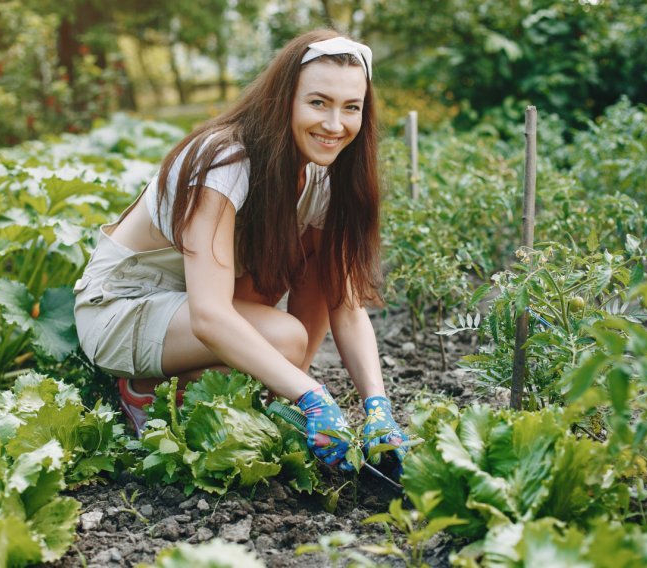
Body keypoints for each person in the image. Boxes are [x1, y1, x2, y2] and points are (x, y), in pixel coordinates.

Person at [74, 29, 409, 472]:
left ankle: (275, 395)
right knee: (286, 338)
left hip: (184, 310)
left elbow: (344, 307)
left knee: (317, 276)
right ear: (285, 98)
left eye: (351, 108)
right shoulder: (224, 160)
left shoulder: (321, 178)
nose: (334, 124)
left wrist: (378, 407)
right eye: (318, 103)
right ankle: (144, 388)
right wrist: (313, 394)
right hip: (123, 309)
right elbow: (210, 315)